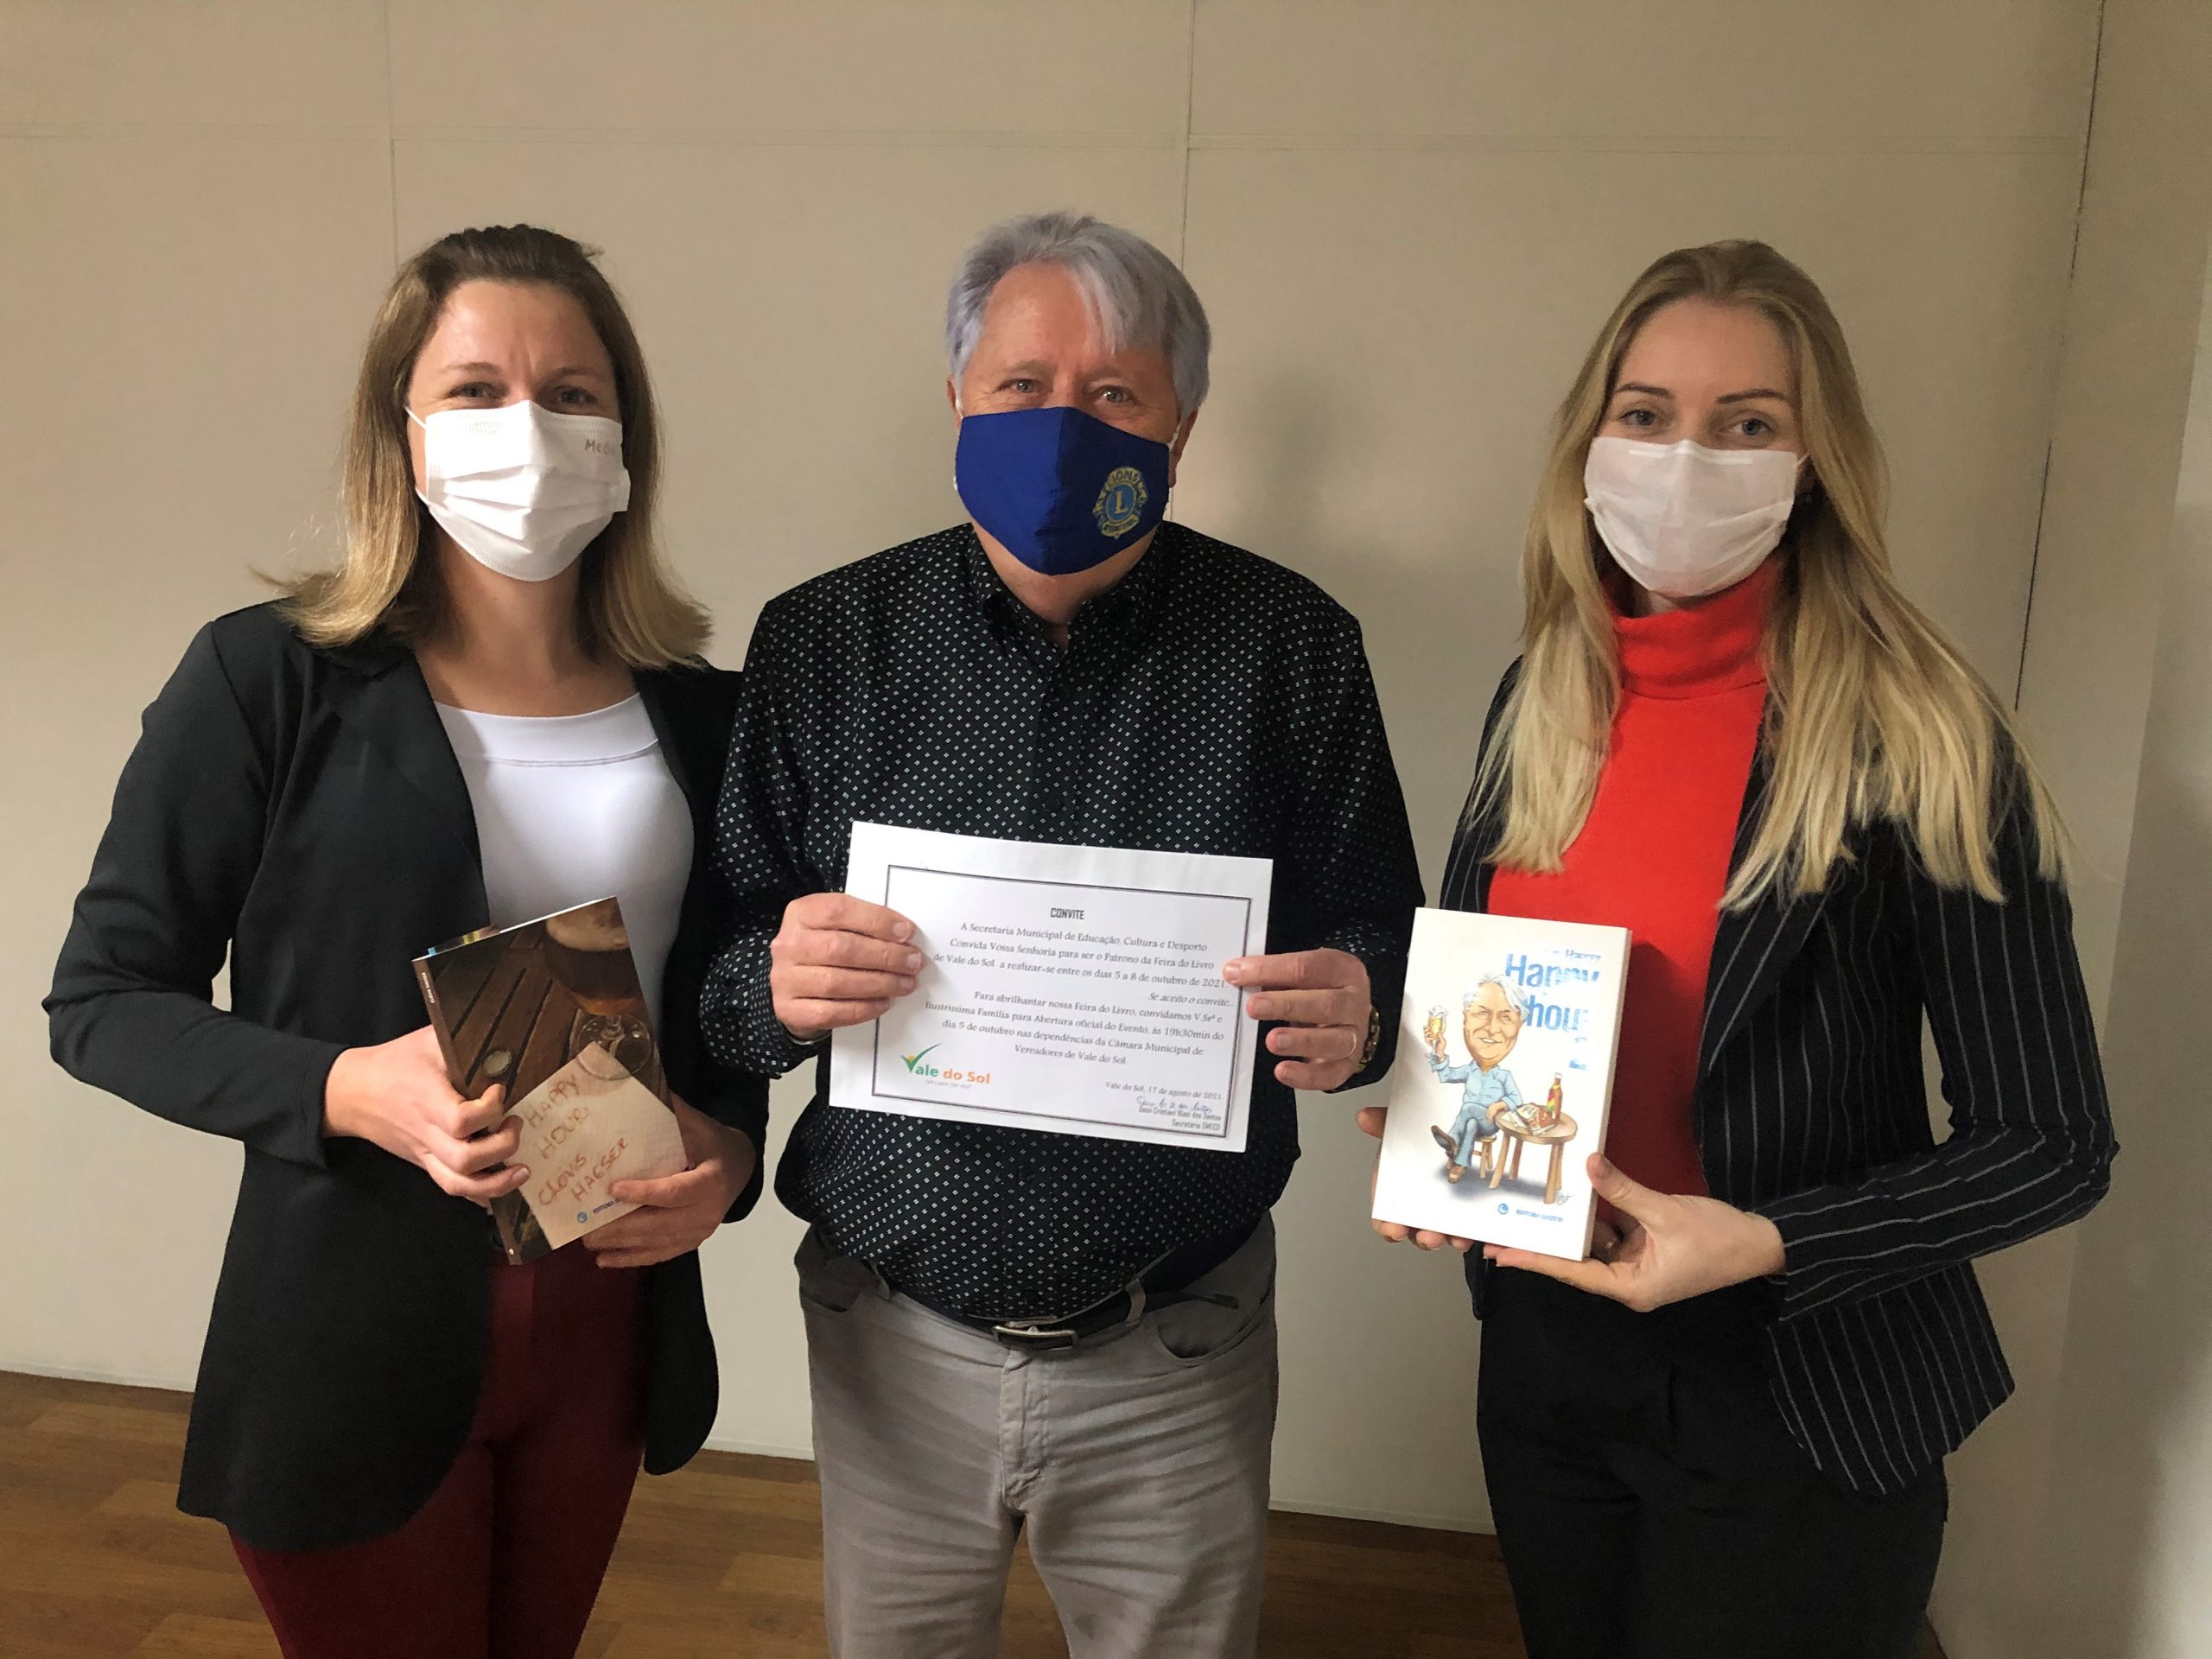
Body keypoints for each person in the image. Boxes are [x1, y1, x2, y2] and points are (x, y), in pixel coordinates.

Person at [1363, 239, 2118, 1659]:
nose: (1685, 460)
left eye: (1747, 424)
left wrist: (1773, 1242)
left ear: (1814, 464)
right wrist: (1436, 1127)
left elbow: (2052, 1143)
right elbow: (1494, 1006)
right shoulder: (1542, 698)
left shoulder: (1923, 732)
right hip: (1548, 1354)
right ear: (1590, 440)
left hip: (1800, 1382)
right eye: (1646, 415)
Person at [702, 211, 1423, 1657]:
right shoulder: (823, 642)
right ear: (956, 399)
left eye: (1115, 394)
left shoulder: (1292, 647)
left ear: (1182, 426)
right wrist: (773, 987)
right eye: (1021, 385)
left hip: (1178, 1341)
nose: (1061, 425)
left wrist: (1360, 1008)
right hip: (889, 1336)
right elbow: (718, 972)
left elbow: (1381, 937)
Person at [46, 225, 767, 1659]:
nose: (530, 427)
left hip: (606, 1315)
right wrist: (345, 1086)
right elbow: (103, 1001)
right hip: (349, 1331)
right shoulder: (268, 678)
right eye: (477, 390)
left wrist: (729, 1156)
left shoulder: (704, 713)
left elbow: (724, 1006)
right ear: (405, 431)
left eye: (572, 393)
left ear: (625, 438)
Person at [1426, 976, 1525, 1179]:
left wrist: (1499, 1105)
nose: (1492, 1028)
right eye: (1482, 1013)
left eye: (1505, 1018)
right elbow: (1446, 1076)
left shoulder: (1503, 1075)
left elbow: (1517, 1099)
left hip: (1490, 1121)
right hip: (1471, 1121)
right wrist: (1439, 1052)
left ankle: (1452, 1140)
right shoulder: (1470, 1070)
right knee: (1470, 1124)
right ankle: (1459, 1165)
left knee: (1469, 1107)